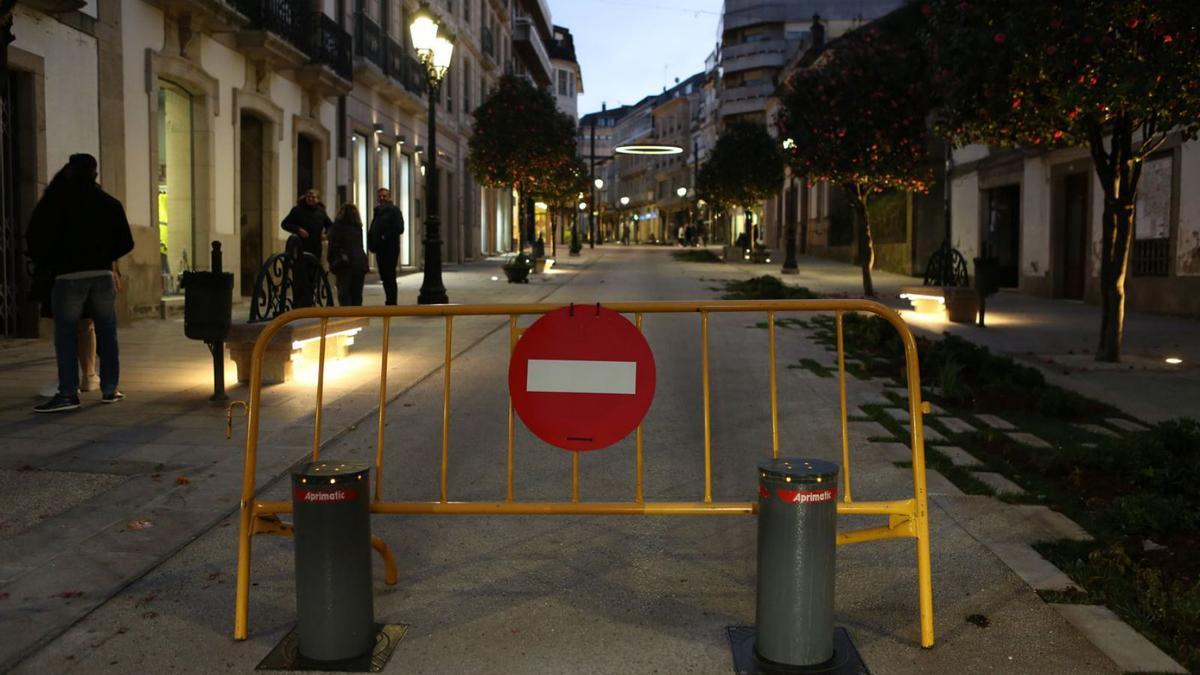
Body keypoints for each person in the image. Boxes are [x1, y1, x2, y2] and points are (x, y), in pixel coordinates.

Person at [28, 153, 134, 412]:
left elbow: (34, 236)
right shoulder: (109, 203)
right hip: (101, 275)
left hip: (67, 276)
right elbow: (127, 242)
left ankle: (67, 393)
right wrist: (104, 256)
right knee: (107, 332)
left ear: (70, 172)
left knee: (65, 335)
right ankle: (110, 389)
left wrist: (52, 260)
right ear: (95, 173)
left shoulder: (55, 203)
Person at [281, 189, 331, 308]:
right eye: (309, 196)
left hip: (315, 249)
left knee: (312, 277)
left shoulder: (321, 213)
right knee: (299, 277)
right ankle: (299, 303)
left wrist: (326, 235)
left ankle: (309, 302)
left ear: (318, 200)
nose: (311, 198)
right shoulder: (297, 210)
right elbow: (285, 224)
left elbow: (330, 226)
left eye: (313, 197)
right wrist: (298, 229)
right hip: (299, 248)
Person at [367, 188, 403, 305]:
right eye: (380, 196)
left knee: (389, 275)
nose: (382, 198)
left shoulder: (394, 211)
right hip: (380, 249)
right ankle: (389, 299)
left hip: (390, 249)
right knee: (384, 275)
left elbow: (399, 228)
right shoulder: (378, 211)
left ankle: (392, 301)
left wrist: (384, 237)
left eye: (384, 196)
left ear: (389, 197)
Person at [328, 203, 368, 307]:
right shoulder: (358, 227)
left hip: (345, 264)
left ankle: (347, 317)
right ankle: (356, 317)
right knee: (357, 294)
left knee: (344, 293)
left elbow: (333, 246)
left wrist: (331, 261)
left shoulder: (337, 227)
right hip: (359, 263)